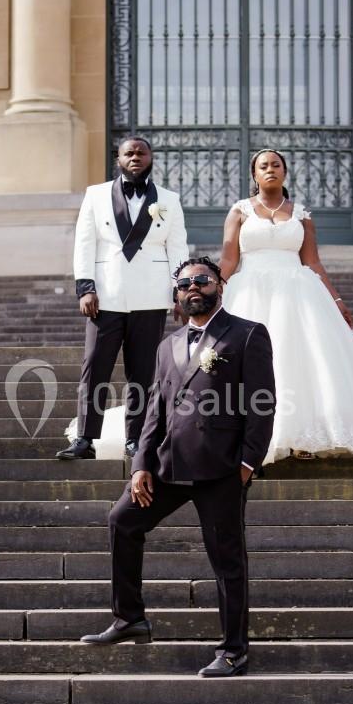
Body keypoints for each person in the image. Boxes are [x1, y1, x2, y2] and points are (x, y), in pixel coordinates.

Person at [81, 257, 275, 678]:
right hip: (169, 465)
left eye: (201, 280)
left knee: (227, 561)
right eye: (184, 283)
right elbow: (155, 410)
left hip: (221, 468)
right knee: (123, 520)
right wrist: (140, 465)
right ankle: (130, 617)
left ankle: (234, 651)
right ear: (176, 293)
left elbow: (263, 405)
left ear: (218, 285)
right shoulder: (167, 346)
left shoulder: (246, 334)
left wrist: (246, 464)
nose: (193, 288)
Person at [217, 148, 353, 464]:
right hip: (251, 290)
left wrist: (336, 299)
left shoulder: (302, 214)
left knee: (299, 361)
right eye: (263, 166)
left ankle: (300, 435)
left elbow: (313, 262)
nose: (270, 169)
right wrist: (212, 293)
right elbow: (228, 259)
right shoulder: (239, 211)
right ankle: (249, 436)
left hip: (299, 295)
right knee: (254, 362)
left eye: (276, 165)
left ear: (285, 172)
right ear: (254, 174)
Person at [58, 136, 188, 460]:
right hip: (106, 296)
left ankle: (136, 441)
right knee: (95, 367)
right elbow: (85, 243)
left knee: (142, 373)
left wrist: (179, 291)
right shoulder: (96, 195)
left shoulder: (169, 199)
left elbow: (178, 247)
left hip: (151, 296)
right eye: (129, 153)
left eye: (141, 152)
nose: (135, 157)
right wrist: (85, 287)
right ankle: (85, 440)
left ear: (151, 158)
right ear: (118, 158)